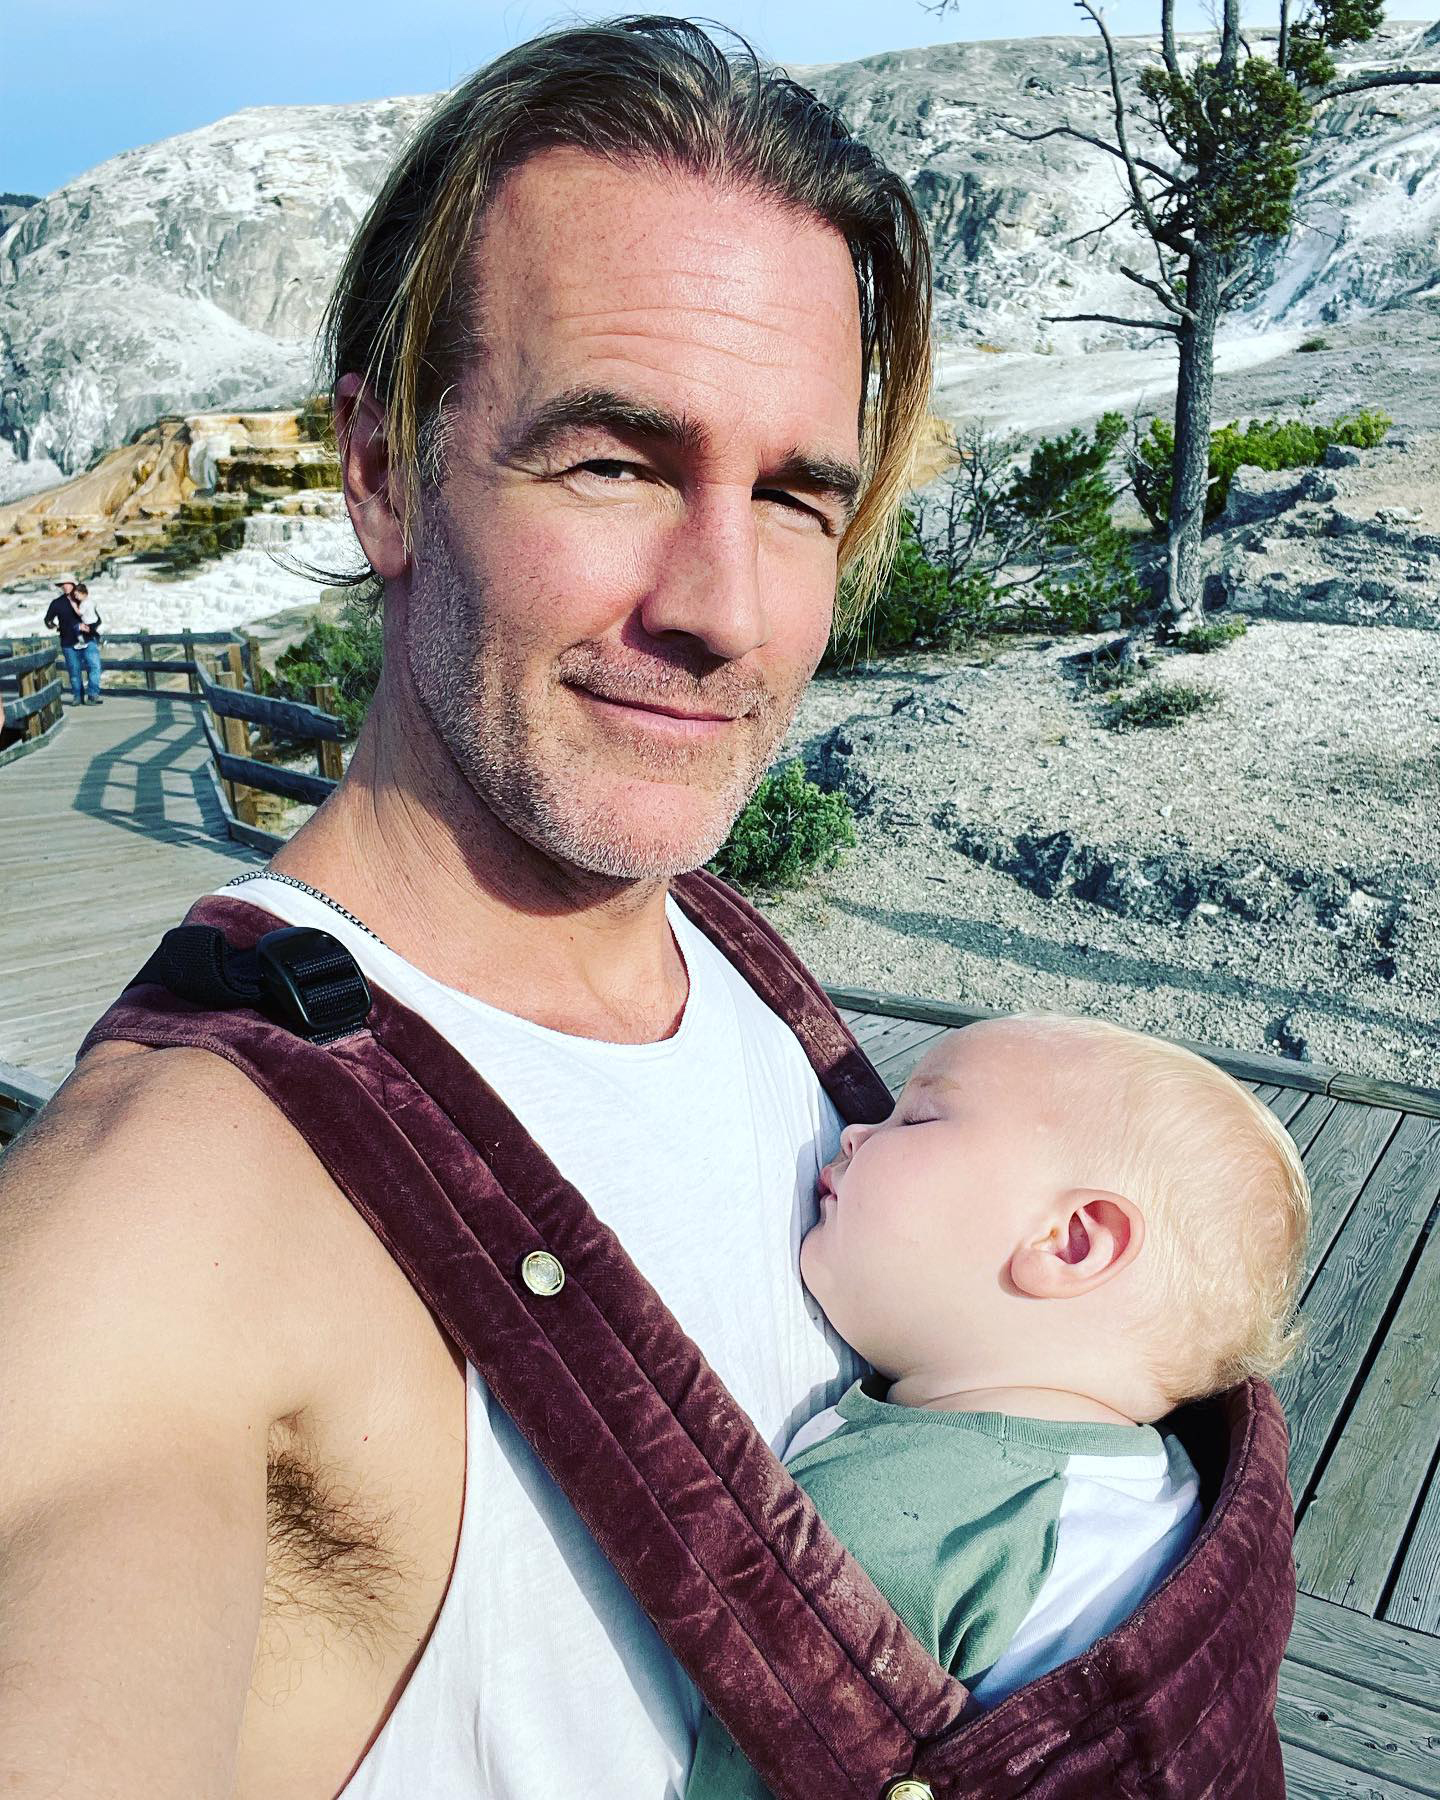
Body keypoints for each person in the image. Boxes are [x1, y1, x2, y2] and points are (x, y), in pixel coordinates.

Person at [0, 20, 934, 1799]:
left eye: (794, 499)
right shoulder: (165, 1216)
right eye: (614, 464)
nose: (725, 612)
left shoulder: (734, 970)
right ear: (380, 473)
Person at [685, 1014, 1311, 1799]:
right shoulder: (1173, 1486)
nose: (852, 1133)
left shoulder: (890, 1533)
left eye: (918, 1117)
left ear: (1070, 1243)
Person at [43, 575, 102, 704]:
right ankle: (77, 697)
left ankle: (93, 695)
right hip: (68, 642)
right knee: (74, 672)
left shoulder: (84, 600)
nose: (65, 586)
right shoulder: (57, 603)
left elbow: (97, 620)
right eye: (62, 584)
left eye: (67, 583)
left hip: (88, 639)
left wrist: (90, 628)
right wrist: (54, 626)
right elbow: (47, 620)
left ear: (73, 584)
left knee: (95, 667)